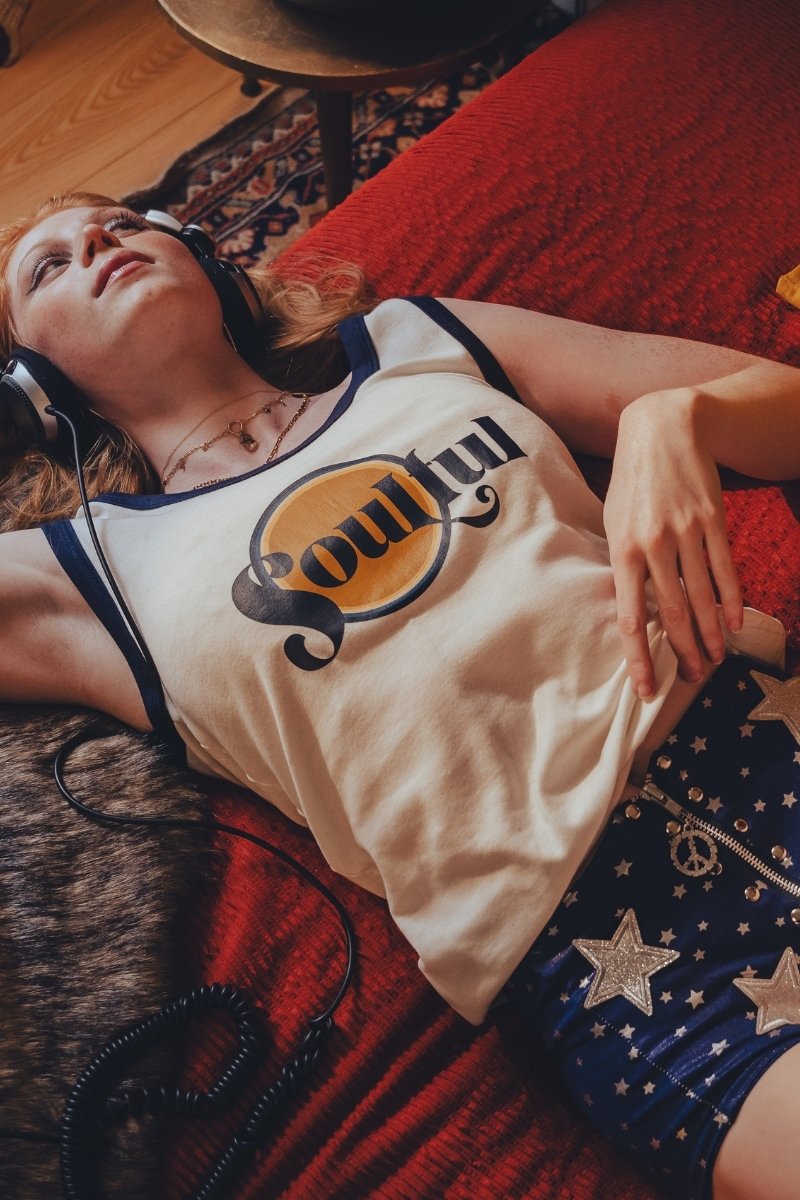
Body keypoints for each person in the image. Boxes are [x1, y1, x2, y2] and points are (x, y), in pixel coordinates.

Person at [0, 191, 798, 1200]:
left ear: (201, 252)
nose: (95, 244)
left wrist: (672, 415)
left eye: (120, 221)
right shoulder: (85, 575)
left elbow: (785, 411)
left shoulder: (423, 341)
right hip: (611, 959)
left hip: (757, 740)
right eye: (48, 267)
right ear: (33, 387)